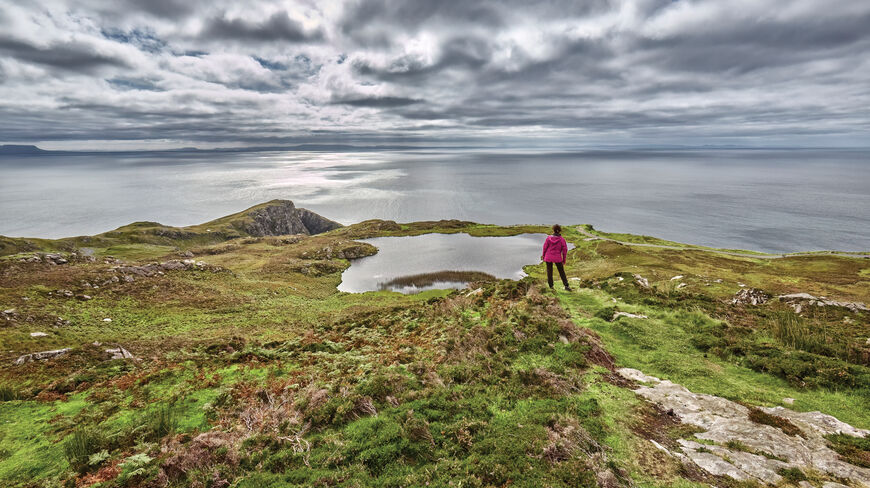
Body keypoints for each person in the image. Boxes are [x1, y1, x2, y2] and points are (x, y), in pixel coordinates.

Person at [541, 224, 572, 291]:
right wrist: (564, 260)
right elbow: (564, 250)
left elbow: (544, 248)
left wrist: (543, 256)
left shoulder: (548, 238)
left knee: (549, 272)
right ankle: (566, 286)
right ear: (559, 231)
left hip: (548, 257)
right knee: (561, 271)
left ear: (553, 230)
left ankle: (551, 287)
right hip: (557, 258)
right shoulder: (562, 240)